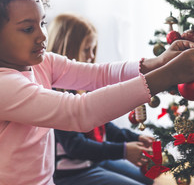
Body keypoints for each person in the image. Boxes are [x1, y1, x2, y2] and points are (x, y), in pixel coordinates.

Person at [0, 0, 194, 185]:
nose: (42, 35)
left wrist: (158, 62)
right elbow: (79, 112)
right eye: (27, 28)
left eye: (42, 23)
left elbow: (99, 74)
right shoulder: (6, 86)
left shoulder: (42, 63)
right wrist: (168, 75)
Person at [47, 13, 154, 185]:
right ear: (67, 49)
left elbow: (103, 126)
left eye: (93, 49)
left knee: (147, 179)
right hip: (71, 173)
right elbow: (75, 147)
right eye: (86, 50)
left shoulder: (83, 87)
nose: (91, 56)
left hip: (95, 160)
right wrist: (124, 151)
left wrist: (133, 138)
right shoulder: (55, 93)